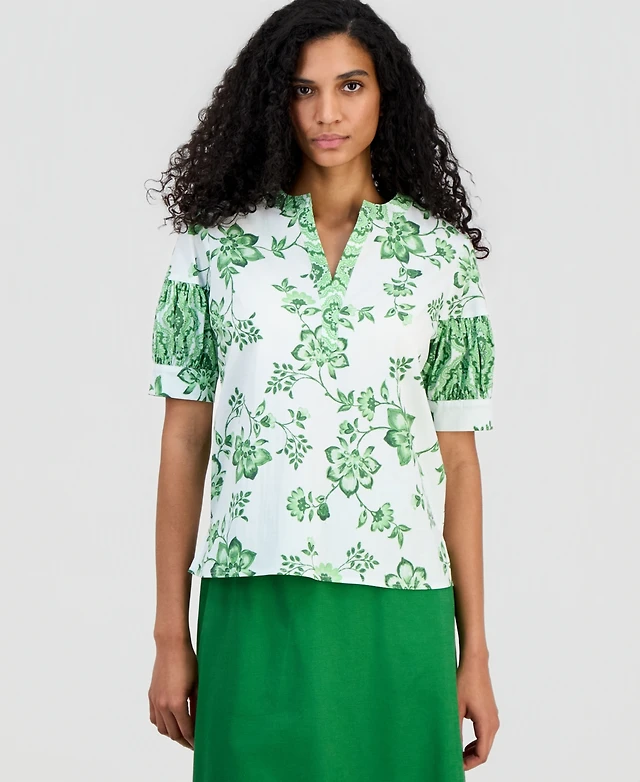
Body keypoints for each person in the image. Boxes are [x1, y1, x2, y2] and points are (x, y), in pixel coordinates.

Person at [145, 0, 500, 779]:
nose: (327, 113)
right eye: (302, 89)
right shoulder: (215, 248)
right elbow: (185, 438)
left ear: (386, 94)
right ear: (273, 100)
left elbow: (459, 461)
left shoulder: (439, 256)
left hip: (400, 599)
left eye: (350, 85)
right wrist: (172, 633)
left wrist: (474, 652)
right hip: (254, 593)